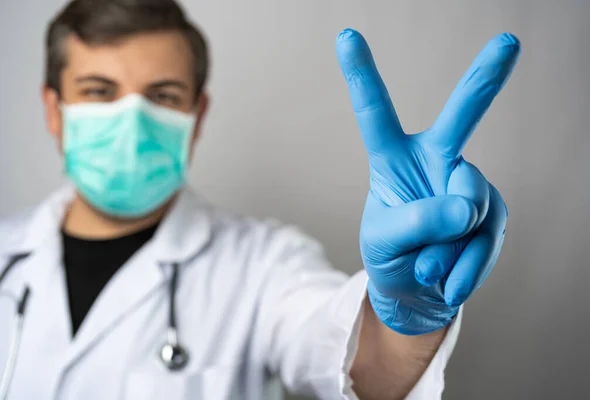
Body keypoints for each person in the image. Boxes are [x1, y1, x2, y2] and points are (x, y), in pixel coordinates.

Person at [0, 0, 520, 399]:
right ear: (54, 108)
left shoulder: (265, 263)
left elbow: (354, 364)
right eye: (98, 91)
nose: (131, 122)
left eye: (162, 96)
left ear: (196, 118)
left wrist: (405, 320)